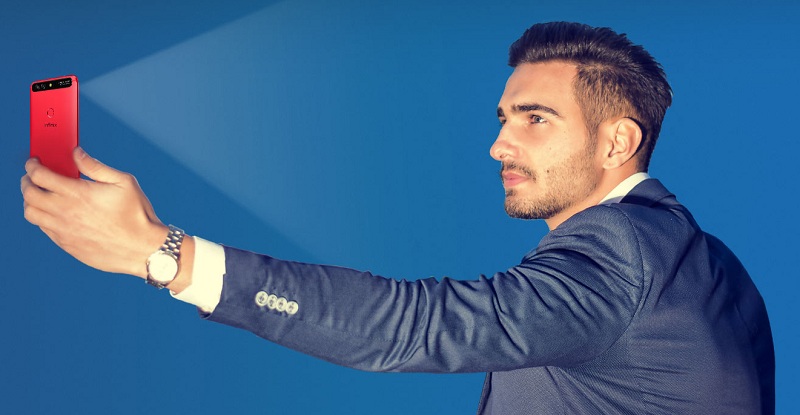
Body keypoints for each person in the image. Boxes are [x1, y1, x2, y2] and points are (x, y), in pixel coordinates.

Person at [21, 21, 774, 414]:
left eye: (535, 118)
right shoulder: (710, 266)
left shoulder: (621, 248)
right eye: (504, 117)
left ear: (617, 141)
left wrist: (164, 253)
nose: (499, 144)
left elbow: (415, 324)